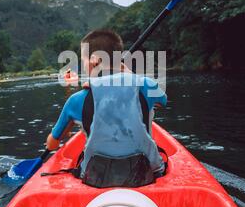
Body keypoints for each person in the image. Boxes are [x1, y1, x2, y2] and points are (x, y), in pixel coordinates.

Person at [46, 30, 167, 188]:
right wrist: (130, 75)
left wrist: (54, 140)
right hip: (147, 174)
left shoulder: (75, 100)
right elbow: (162, 101)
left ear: (94, 60)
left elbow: (53, 144)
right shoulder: (146, 85)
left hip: (95, 179)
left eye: (83, 61)